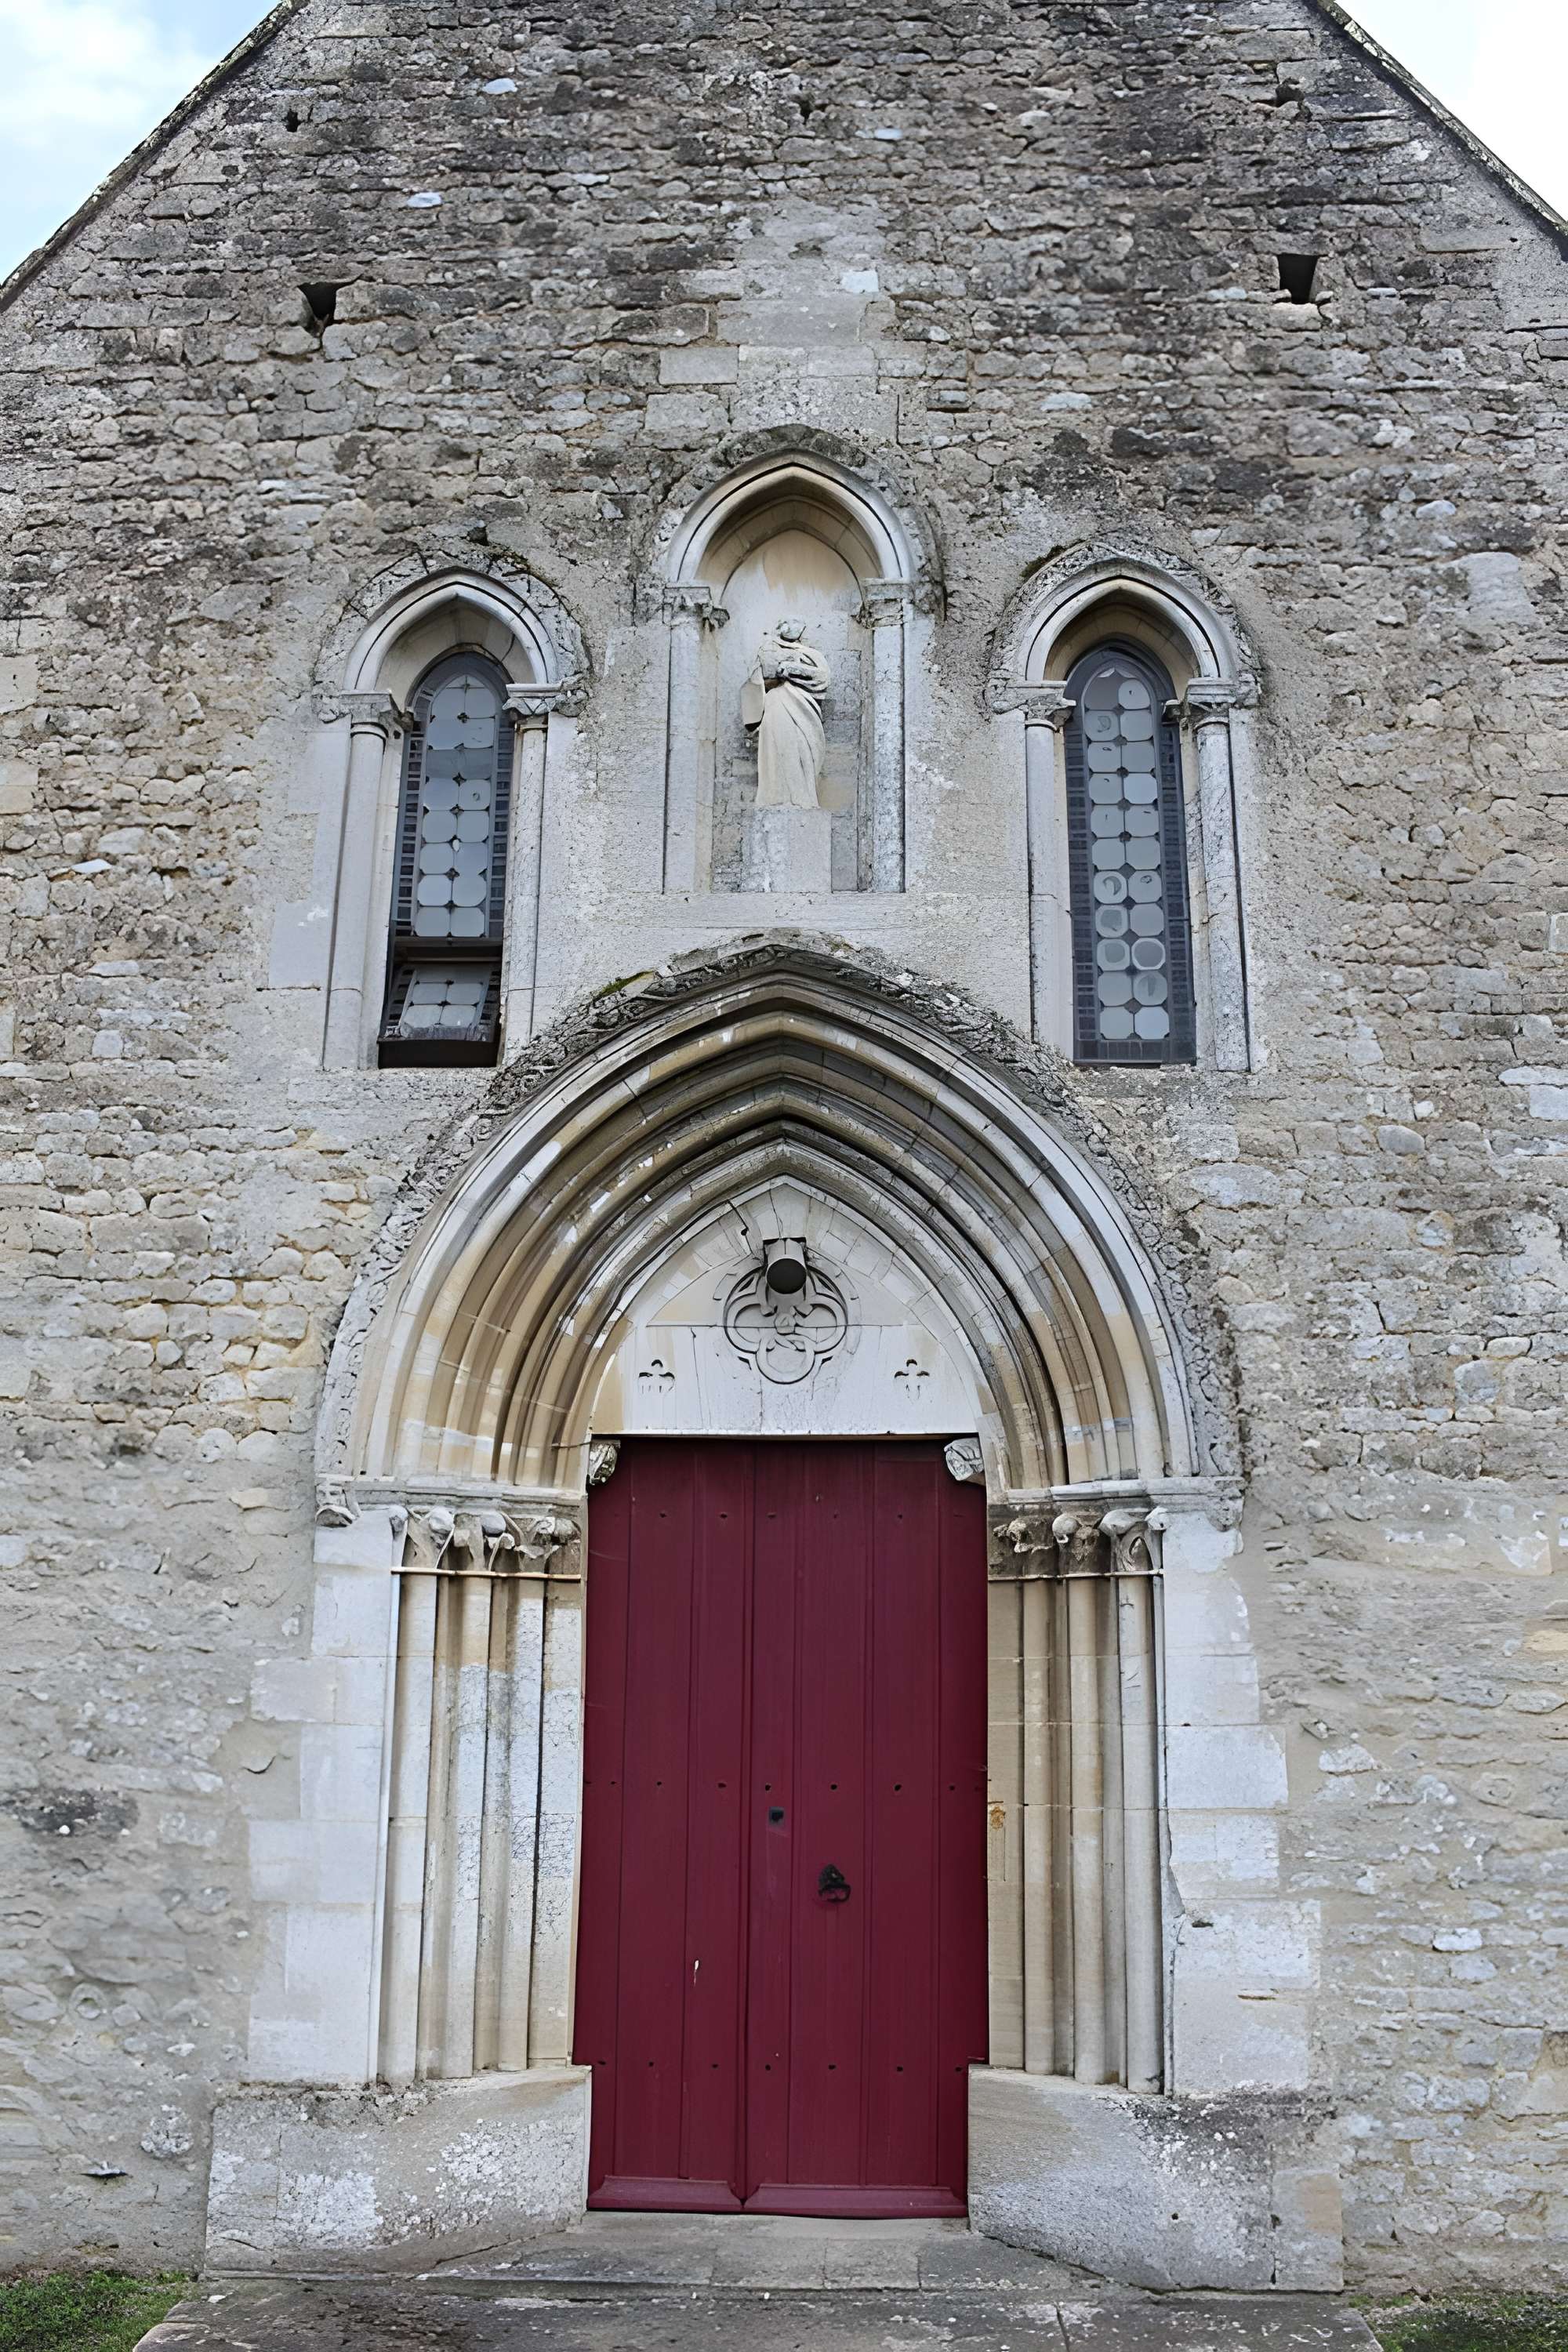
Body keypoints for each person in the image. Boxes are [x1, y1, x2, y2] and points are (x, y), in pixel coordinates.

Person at [742, 618, 831, 809]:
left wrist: (793, 669)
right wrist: (768, 674)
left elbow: (823, 678)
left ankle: (804, 798)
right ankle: (775, 797)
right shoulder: (766, 651)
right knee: (776, 747)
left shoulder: (811, 654)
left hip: (802, 704)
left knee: (801, 750)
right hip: (775, 703)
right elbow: (754, 683)